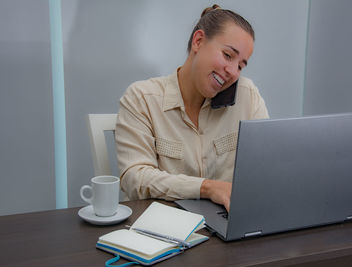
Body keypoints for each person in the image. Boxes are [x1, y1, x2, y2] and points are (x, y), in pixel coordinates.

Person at [115, 4, 269, 211]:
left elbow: (265, 169)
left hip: (225, 225)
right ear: (198, 41)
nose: (232, 71)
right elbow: (134, 179)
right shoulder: (141, 98)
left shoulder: (247, 96)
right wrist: (206, 188)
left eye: (240, 65)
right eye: (227, 55)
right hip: (162, 227)